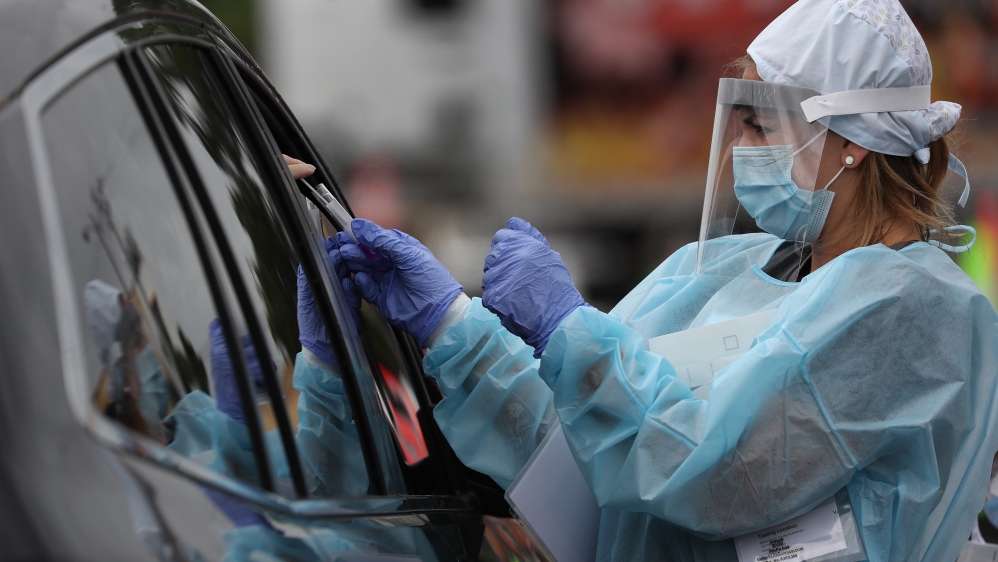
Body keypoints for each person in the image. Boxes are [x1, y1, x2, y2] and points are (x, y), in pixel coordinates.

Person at [329, 0, 998, 560]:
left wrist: (569, 332)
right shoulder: (723, 273)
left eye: (762, 125)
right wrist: (454, 327)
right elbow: (586, 449)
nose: (740, 150)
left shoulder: (909, 310)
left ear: (852, 141)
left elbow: (711, 471)